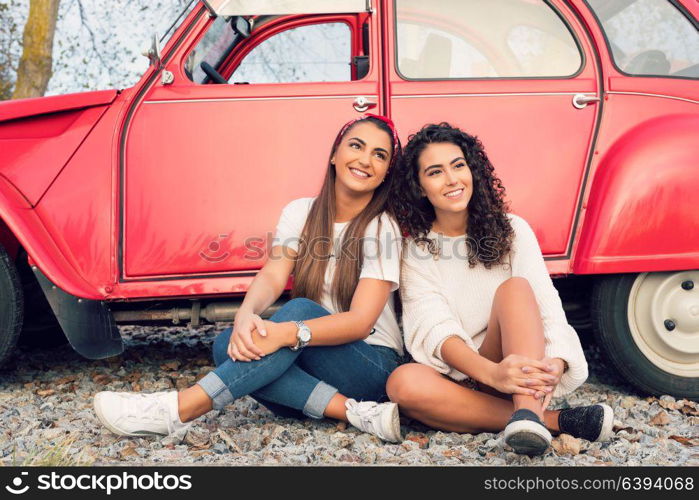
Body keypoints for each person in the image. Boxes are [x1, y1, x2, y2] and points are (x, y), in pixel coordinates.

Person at [93, 115, 405, 443]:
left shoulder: (383, 228)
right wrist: (246, 314)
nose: (365, 160)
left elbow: (359, 322)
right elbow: (273, 273)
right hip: (316, 354)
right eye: (356, 146)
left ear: (385, 173)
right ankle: (357, 413)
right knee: (229, 344)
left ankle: (178, 409)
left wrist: (285, 333)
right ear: (334, 154)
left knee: (297, 311)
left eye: (379, 155)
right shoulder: (301, 212)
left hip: (370, 364)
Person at [386, 123, 614, 456]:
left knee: (516, 290)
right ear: (419, 187)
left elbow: (547, 306)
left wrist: (559, 363)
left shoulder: (513, 230)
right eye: (435, 172)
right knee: (402, 383)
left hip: (516, 370)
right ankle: (552, 420)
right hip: (462, 379)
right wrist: (493, 374)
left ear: (473, 170)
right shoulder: (415, 249)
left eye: (458, 165)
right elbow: (434, 328)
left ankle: (526, 410)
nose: (452, 180)